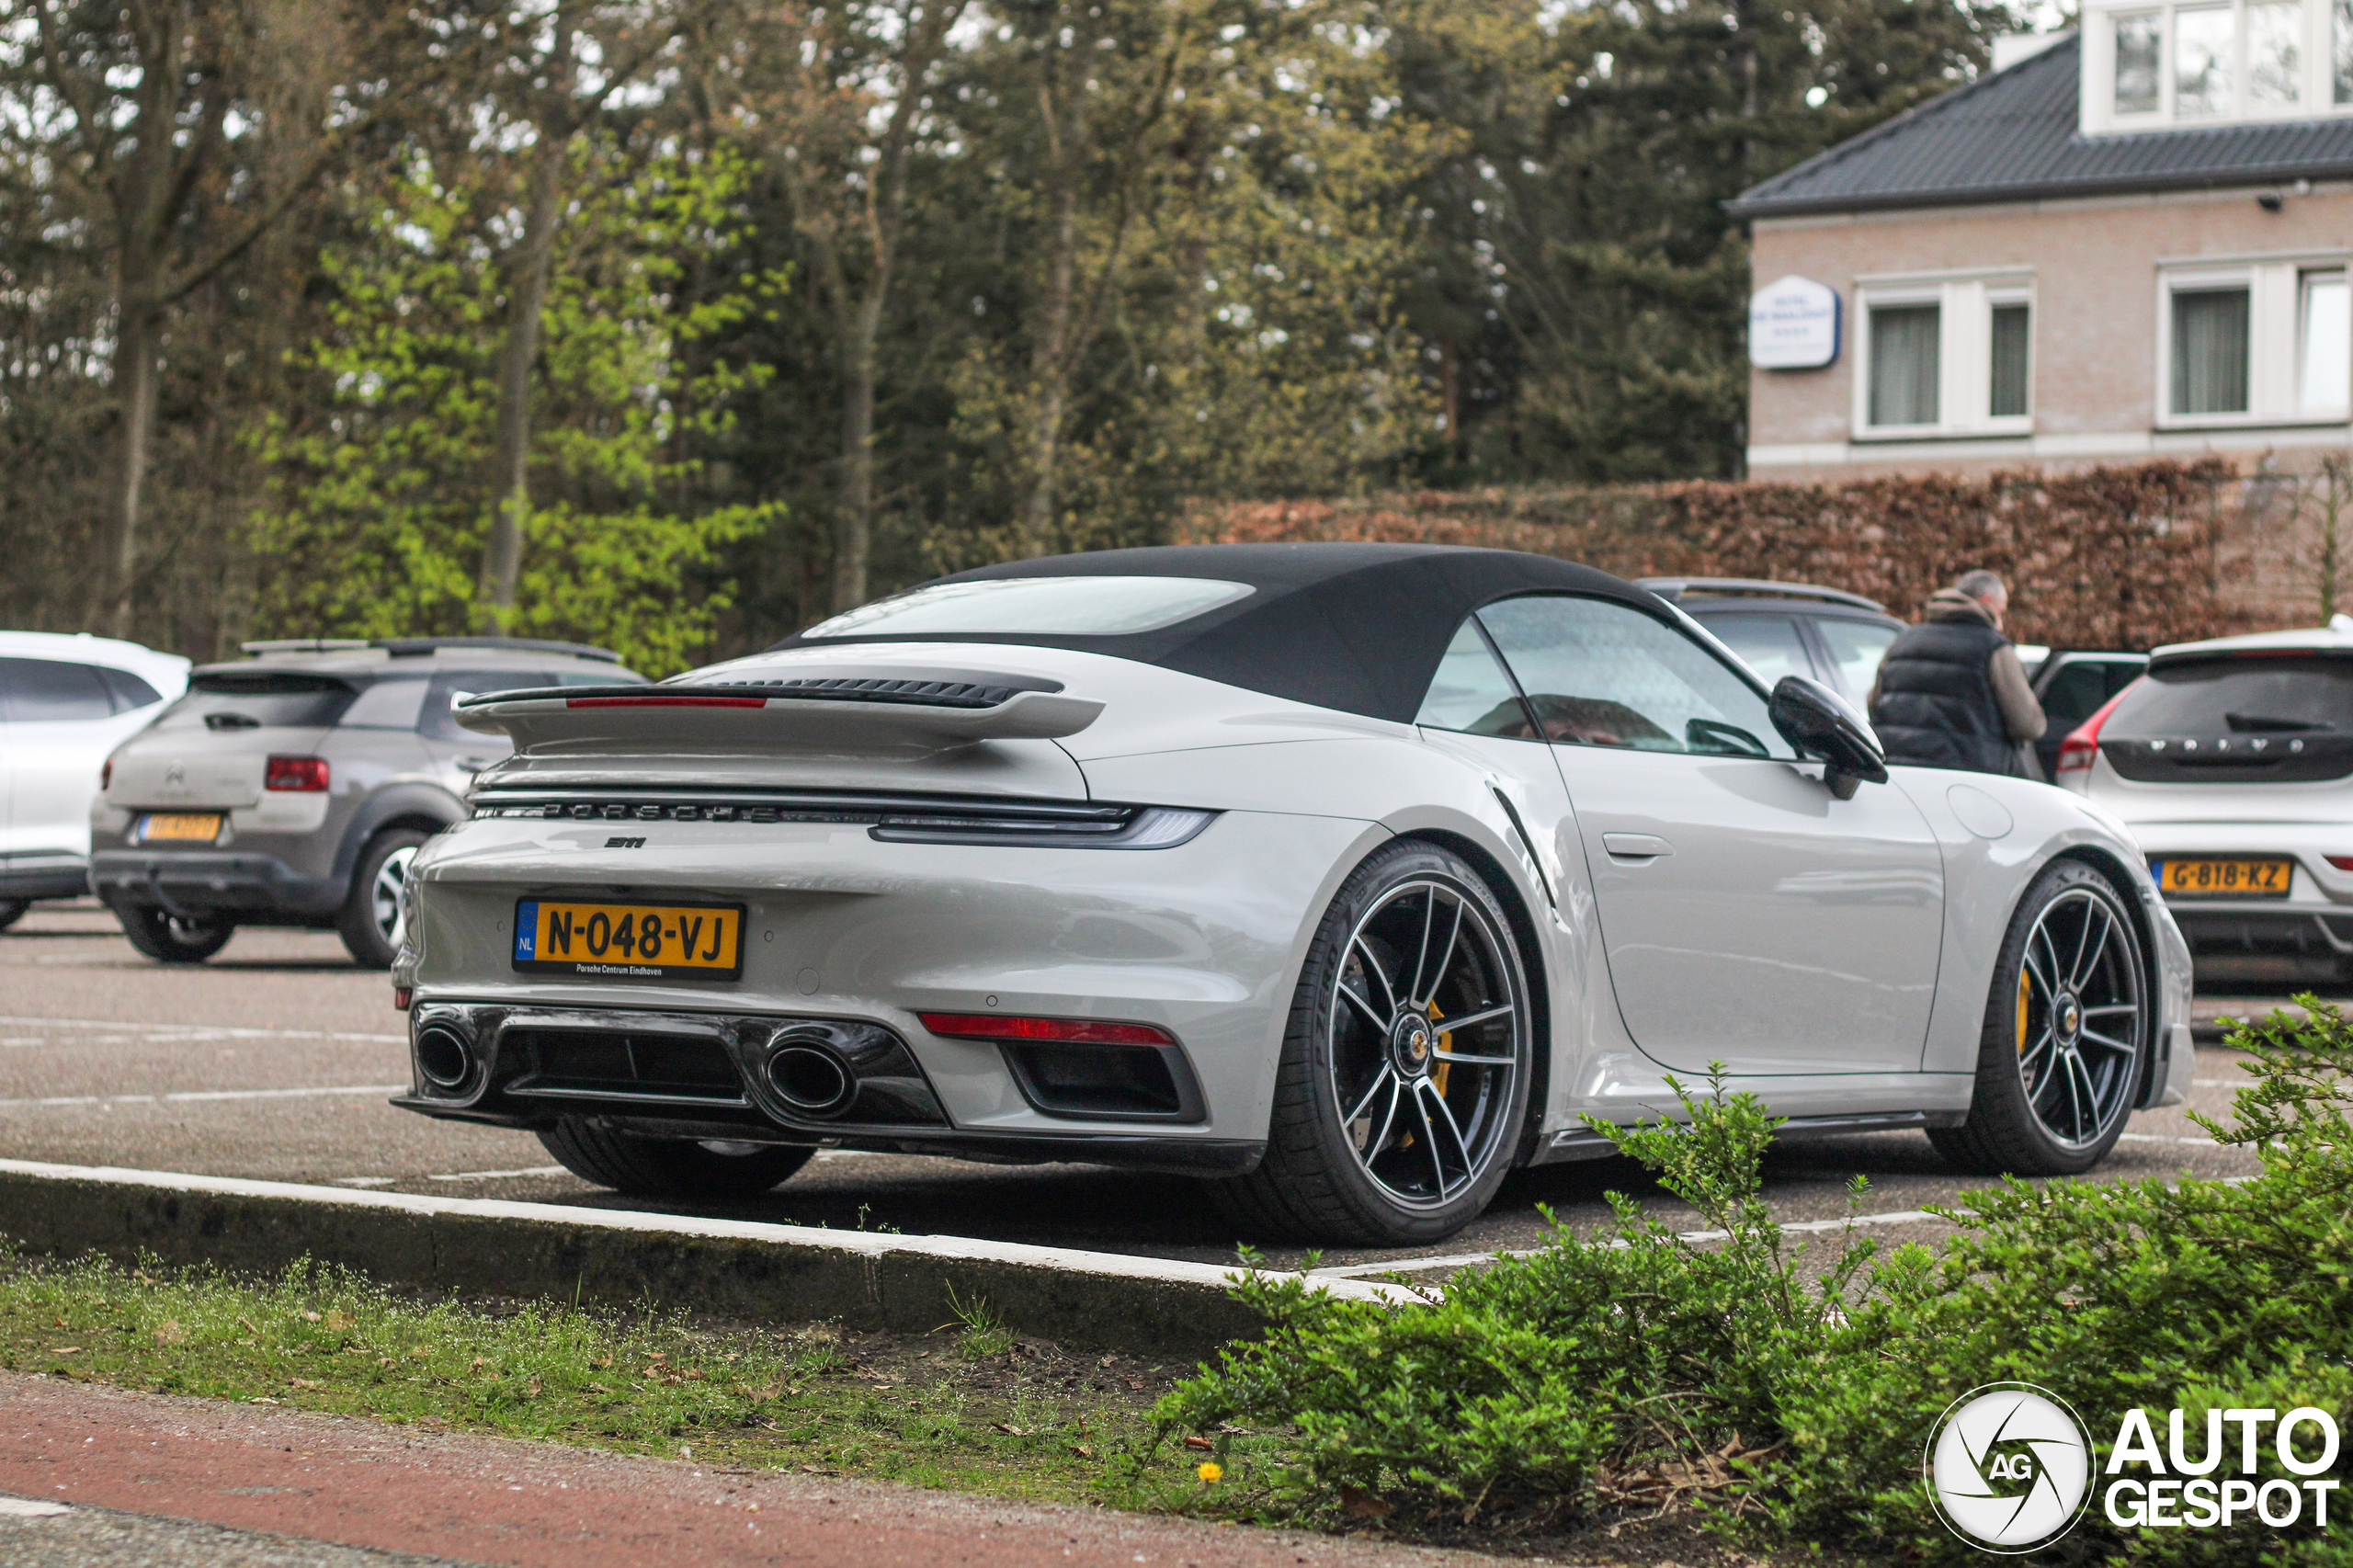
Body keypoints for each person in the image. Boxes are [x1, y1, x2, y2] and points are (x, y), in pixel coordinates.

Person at [1868, 569, 2046, 777]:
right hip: (1969, 780)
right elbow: (2028, 724)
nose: (2001, 622)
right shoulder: (1994, 648)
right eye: (2001, 611)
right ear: (1987, 602)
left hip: (1902, 776)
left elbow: (1875, 705)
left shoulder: (1902, 642)